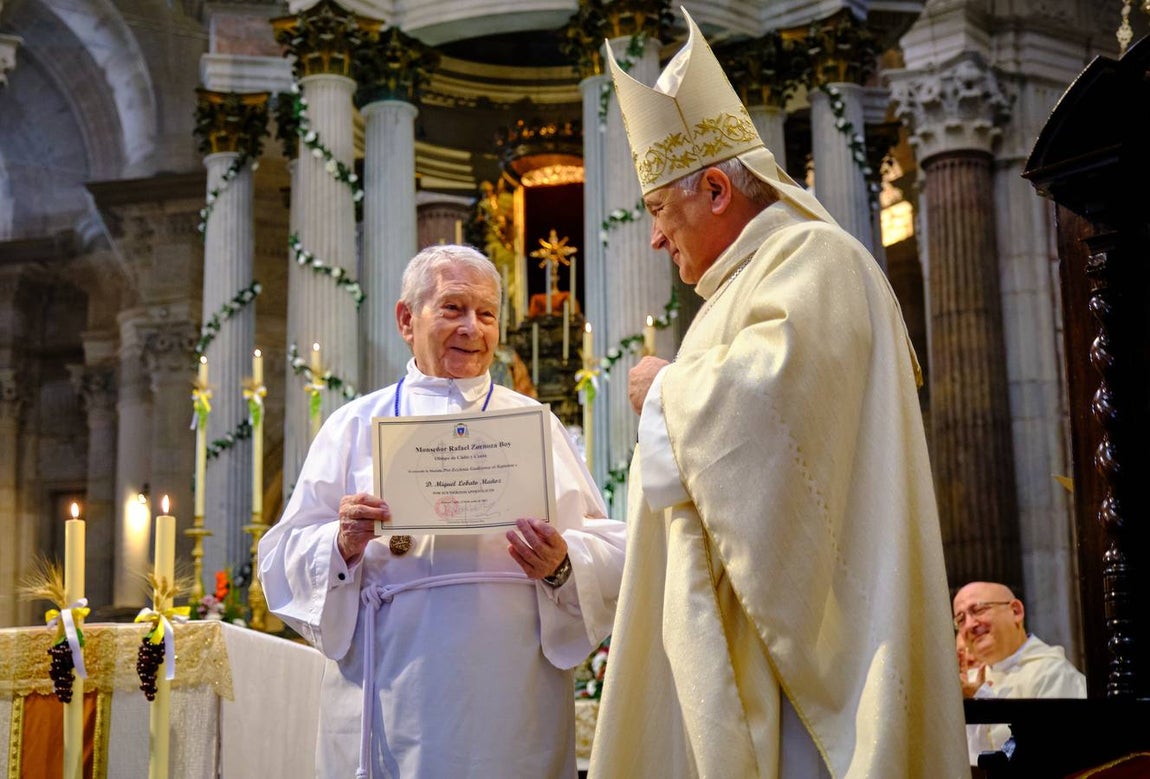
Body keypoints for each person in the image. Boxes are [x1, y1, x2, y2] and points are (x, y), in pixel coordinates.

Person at [588, 10, 968, 778]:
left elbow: (773, 427)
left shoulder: (815, 258)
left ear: (719, 187)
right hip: (754, 651)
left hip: (808, 678)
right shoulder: (744, 282)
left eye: (661, 208)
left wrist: (669, 391)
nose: (656, 239)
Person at [259, 244, 626, 779]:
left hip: (512, 698)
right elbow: (282, 557)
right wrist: (340, 545)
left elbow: (610, 551)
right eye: (453, 308)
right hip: (393, 690)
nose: (472, 329)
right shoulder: (355, 425)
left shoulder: (535, 425)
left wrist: (563, 564)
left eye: (487, 314)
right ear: (407, 319)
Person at [953, 581, 1086, 764]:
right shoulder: (969, 682)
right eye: (960, 619)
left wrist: (982, 700)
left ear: (1016, 611)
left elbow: (1043, 757)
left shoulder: (1053, 674)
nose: (969, 625)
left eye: (978, 610)